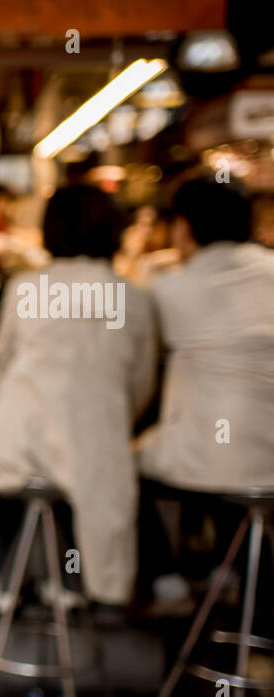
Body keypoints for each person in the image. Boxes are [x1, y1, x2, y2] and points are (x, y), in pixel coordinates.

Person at [0, 185, 158, 606]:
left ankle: (7, 583)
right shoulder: (134, 298)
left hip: (14, 449)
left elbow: (2, 370)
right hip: (90, 456)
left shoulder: (24, 288)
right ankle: (70, 585)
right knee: (79, 458)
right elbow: (141, 387)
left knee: (4, 451)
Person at [135, 178, 274, 493]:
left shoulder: (168, 290)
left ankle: (186, 542)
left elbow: (138, 364)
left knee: (121, 463)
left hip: (209, 462)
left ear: (182, 229)